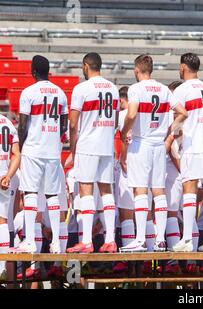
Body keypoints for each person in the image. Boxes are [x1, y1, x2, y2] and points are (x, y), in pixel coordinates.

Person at [119, 54, 187, 252]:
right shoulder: (164, 89)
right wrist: (169, 130)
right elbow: (183, 112)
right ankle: (160, 239)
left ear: (136, 69)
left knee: (140, 190)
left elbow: (131, 114)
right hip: (158, 144)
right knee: (158, 191)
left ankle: (140, 239)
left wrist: (124, 132)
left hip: (141, 143)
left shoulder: (136, 89)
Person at [12, 55, 68, 254]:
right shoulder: (60, 93)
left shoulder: (28, 92)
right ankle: (56, 243)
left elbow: (23, 125)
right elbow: (63, 126)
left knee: (31, 193)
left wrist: (24, 145)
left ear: (33, 71)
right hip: (53, 151)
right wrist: (52, 139)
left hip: (33, 149)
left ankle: (30, 240)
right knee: (52, 195)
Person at [67, 52, 119, 253]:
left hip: (88, 144)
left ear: (85, 66)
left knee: (86, 190)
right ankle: (110, 240)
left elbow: (73, 123)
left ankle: (87, 240)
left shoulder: (81, 88)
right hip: (106, 145)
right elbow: (114, 120)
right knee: (107, 192)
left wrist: (73, 147)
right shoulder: (112, 88)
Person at [171, 53, 203, 253]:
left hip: (194, 143)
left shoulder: (182, 90)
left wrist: (172, 132)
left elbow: (178, 118)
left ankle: (187, 240)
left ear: (183, 67)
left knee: (189, 188)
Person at [0, 113, 20, 277]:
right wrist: (8, 176)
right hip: (3, 176)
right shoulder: (8, 123)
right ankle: (2, 269)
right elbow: (16, 154)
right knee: (3, 221)